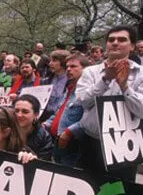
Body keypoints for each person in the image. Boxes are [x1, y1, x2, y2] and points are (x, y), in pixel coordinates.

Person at [76, 25, 143, 181]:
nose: (115, 43)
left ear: (132, 46)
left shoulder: (140, 74)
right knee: (88, 190)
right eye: (111, 40)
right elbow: (84, 102)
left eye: (122, 40)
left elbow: (141, 111)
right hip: (91, 143)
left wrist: (125, 86)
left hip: (125, 147)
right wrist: (105, 80)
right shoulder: (90, 72)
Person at [44, 54, 90, 166]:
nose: (69, 69)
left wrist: (69, 132)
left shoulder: (89, 92)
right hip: (57, 142)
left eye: (74, 66)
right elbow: (58, 113)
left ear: (86, 69)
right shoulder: (69, 89)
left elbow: (90, 119)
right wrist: (46, 124)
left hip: (73, 146)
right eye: (67, 66)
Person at [13, 94, 53, 161]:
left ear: (36, 114)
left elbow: (44, 163)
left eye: (25, 112)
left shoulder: (44, 137)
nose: (19, 115)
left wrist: (34, 160)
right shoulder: (4, 130)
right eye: (16, 111)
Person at [41, 50, 69, 121]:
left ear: (63, 62)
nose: (50, 64)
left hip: (61, 117)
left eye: (54, 61)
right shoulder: (48, 79)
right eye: (50, 61)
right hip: (45, 116)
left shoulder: (70, 80)